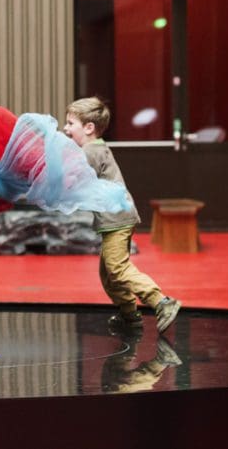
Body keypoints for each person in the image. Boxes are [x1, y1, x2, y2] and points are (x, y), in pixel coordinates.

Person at [63, 96, 181, 333]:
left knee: (117, 269)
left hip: (117, 219)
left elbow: (71, 180)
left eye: (70, 124)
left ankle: (161, 302)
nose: (65, 129)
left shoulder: (90, 152)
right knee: (108, 274)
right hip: (115, 218)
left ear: (88, 128)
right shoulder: (93, 148)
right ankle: (130, 316)